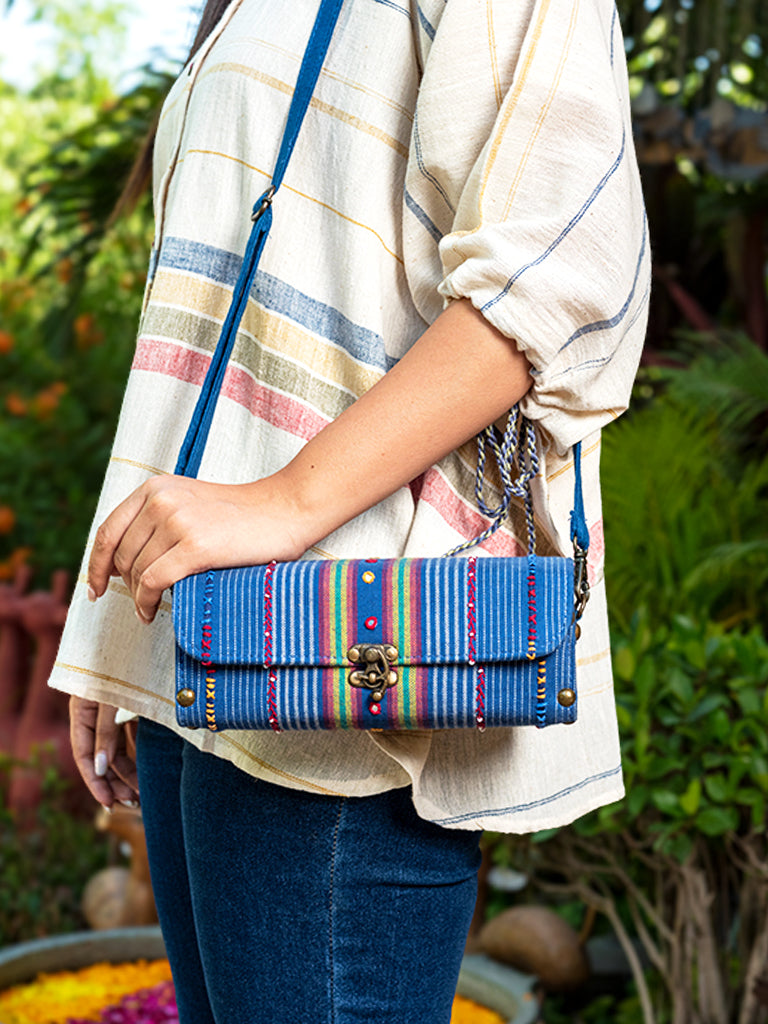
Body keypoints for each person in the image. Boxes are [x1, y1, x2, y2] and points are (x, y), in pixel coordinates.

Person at [50, 0, 650, 1020]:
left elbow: (553, 279)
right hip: (204, 647)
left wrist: (287, 500)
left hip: (345, 677)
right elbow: (210, 326)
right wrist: (114, 625)